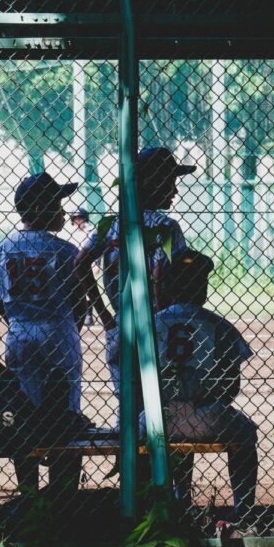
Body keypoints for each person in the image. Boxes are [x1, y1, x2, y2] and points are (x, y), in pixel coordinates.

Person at [0, 173, 89, 493]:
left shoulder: (1, 248)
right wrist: (70, 328)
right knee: (65, 414)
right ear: (41, 207)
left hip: (19, 332)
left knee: (23, 414)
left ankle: (28, 493)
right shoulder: (66, 250)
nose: (63, 211)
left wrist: (18, 318)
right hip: (58, 330)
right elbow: (79, 301)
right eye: (57, 204)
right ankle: (62, 493)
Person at [76, 146, 194, 397]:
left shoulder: (112, 223)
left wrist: (105, 315)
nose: (175, 190)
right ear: (151, 183)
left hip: (121, 322)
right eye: (170, 182)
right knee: (162, 405)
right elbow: (164, 275)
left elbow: (80, 263)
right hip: (158, 323)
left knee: (128, 405)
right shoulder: (167, 226)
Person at [152, 250, 258, 525]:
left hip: (157, 417)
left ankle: (177, 501)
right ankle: (244, 509)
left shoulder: (152, 323)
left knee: (164, 434)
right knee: (246, 432)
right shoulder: (217, 324)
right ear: (203, 288)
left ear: (169, 288)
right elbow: (232, 386)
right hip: (208, 415)